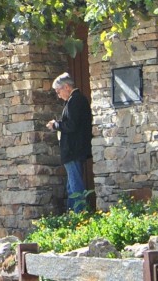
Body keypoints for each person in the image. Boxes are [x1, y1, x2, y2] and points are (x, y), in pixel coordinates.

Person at [45, 73, 93, 212]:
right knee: (71, 187)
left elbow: (71, 125)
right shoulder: (74, 100)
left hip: (73, 149)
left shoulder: (75, 100)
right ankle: (73, 216)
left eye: (58, 91)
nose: (58, 95)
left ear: (66, 87)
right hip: (73, 150)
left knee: (75, 185)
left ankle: (81, 214)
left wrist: (56, 125)